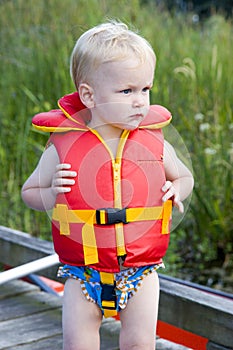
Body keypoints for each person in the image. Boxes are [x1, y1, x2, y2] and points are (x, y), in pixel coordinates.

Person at [22, 21, 194, 350]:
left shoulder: (153, 141)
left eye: (146, 89)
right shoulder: (64, 147)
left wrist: (177, 190)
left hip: (141, 270)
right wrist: (53, 192)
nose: (140, 101)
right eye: (127, 91)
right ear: (88, 95)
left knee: (140, 343)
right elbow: (29, 193)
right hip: (82, 271)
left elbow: (184, 177)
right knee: (79, 344)